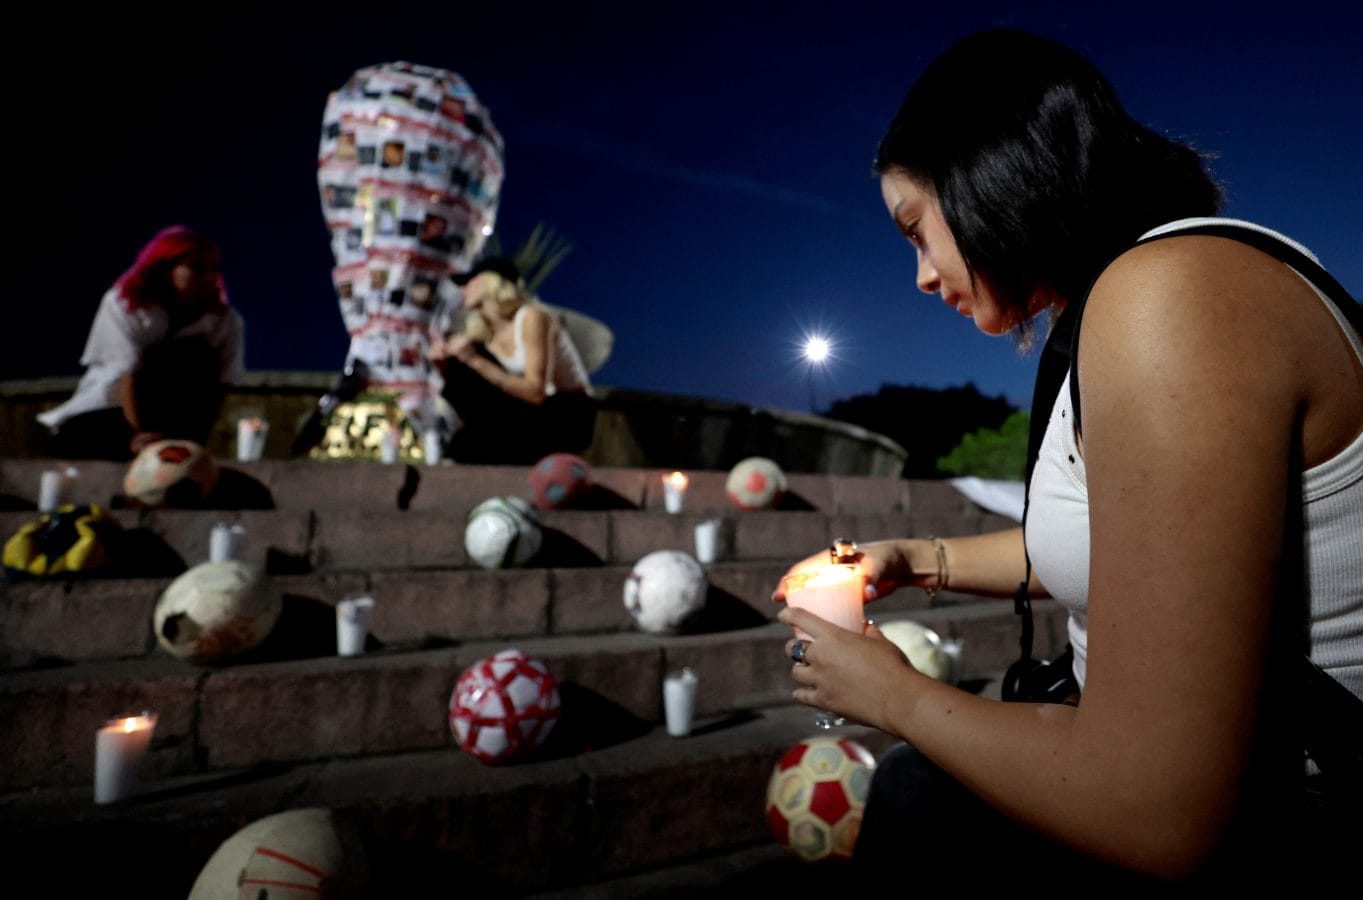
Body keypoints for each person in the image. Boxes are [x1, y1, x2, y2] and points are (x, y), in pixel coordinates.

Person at [771, 29, 1361, 892]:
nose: (920, 277)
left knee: (912, 793)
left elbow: (1160, 809)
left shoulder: (1169, 299)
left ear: (988, 177)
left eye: (916, 230)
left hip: (1300, 811)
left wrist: (891, 696)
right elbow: (1138, 549)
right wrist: (915, 561)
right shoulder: (1120, 301)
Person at [38, 225, 245, 460]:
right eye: (197, 268)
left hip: (173, 423)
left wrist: (195, 440)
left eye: (213, 269)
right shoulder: (125, 305)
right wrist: (137, 434)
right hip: (109, 413)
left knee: (196, 354)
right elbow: (128, 374)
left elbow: (221, 385)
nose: (209, 278)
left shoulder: (224, 322)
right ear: (165, 269)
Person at [430, 256, 596, 464]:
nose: (463, 288)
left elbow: (536, 392)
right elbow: (480, 397)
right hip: (531, 414)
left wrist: (473, 360)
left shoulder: (532, 317)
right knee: (458, 372)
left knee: (474, 440)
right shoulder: (485, 335)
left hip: (569, 414)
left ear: (492, 282)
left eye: (470, 281)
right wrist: (443, 366)